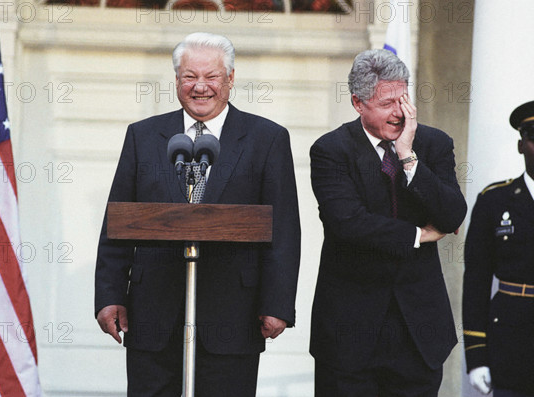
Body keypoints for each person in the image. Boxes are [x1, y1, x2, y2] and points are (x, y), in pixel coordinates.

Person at [94, 32, 301, 396]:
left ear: (231, 79)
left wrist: (277, 304)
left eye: (212, 77)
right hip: (154, 313)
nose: (200, 87)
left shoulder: (266, 139)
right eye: (189, 76)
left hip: (232, 315)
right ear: (176, 80)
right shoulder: (143, 136)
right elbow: (117, 224)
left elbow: (283, 230)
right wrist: (110, 295)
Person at [309, 49, 467, 396]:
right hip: (350, 333)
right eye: (386, 103)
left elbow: (453, 214)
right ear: (357, 103)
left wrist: (408, 157)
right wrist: (418, 235)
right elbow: (348, 222)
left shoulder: (433, 143)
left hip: (419, 332)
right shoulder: (331, 150)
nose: (399, 113)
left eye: (403, 100)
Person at [462, 100, 534, 397]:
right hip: (511, 345)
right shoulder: (494, 201)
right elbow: (476, 282)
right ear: (521, 145)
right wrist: (476, 356)